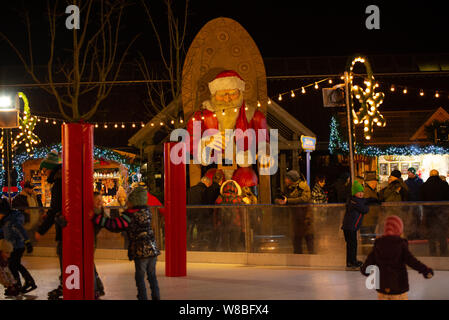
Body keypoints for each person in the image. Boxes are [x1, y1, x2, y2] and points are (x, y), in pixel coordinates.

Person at [93, 187, 161, 300]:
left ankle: (142, 297)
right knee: (152, 276)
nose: (126, 203)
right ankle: (156, 297)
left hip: (141, 252)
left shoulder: (129, 215)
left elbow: (114, 225)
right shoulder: (147, 212)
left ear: (134, 202)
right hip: (153, 250)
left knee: (140, 278)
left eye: (128, 201)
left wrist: (96, 218)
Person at [361, 215, 434, 300]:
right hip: (398, 287)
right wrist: (425, 270)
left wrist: (364, 270)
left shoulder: (379, 244)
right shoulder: (400, 244)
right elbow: (412, 261)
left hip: (382, 287)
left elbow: (369, 261)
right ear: (399, 229)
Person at [34, 151, 66, 299]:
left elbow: (55, 210)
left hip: (65, 228)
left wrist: (41, 230)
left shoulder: (58, 184)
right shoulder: (61, 181)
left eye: (45, 169)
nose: (44, 172)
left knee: (64, 255)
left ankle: (65, 286)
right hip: (66, 226)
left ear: (51, 168)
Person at [0, 198, 36, 293]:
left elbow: (21, 230)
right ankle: (23, 283)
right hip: (11, 247)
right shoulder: (5, 220)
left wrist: (27, 242)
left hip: (17, 246)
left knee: (13, 265)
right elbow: (3, 233)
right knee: (15, 265)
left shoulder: (12, 220)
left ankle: (20, 284)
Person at [275, 170, 313, 254]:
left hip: (305, 217)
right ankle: (298, 258)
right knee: (297, 239)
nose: (285, 180)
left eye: (287, 178)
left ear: (292, 180)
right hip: (296, 218)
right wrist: (279, 201)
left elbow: (304, 199)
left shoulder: (303, 187)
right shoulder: (288, 188)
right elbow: (284, 198)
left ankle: (312, 257)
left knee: (309, 238)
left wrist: (288, 201)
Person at [420, 169, 449, 256]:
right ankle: (443, 251)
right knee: (442, 233)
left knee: (431, 234)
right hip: (442, 213)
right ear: (438, 175)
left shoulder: (424, 186)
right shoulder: (444, 185)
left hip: (429, 213)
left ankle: (433, 251)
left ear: (429, 175)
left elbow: (421, 200)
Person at [341, 181, 370, 268]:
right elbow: (365, 209)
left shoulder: (354, 200)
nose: (361, 194)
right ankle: (352, 261)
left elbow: (364, 203)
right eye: (358, 192)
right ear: (354, 193)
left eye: (362, 192)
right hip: (350, 227)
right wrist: (367, 205)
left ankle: (351, 261)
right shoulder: (354, 201)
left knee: (351, 244)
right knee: (352, 244)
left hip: (350, 227)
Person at [215, 180, 246, 252]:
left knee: (225, 245)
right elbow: (242, 214)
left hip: (224, 224)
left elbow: (215, 213)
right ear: (236, 189)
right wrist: (243, 227)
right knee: (234, 245)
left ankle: (226, 260)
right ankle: (234, 260)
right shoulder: (238, 199)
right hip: (236, 225)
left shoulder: (220, 198)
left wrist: (216, 224)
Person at [360, 172, 380, 246]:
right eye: (375, 182)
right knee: (367, 239)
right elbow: (365, 202)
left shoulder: (372, 191)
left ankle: (368, 252)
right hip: (367, 220)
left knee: (370, 239)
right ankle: (366, 253)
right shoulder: (367, 191)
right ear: (371, 182)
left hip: (371, 219)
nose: (376, 184)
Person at [92, 192, 106, 299]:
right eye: (97, 199)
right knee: (91, 264)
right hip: (92, 242)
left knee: (90, 265)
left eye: (100, 199)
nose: (100, 202)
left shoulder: (96, 211)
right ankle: (98, 287)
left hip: (91, 242)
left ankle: (96, 288)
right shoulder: (100, 211)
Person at [404, 167, 424, 239]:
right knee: (411, 219)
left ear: (413, 173)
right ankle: (411, 234)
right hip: (410, 204)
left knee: (418, 219)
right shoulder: (406, 182)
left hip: (418, 203)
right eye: (408, 172)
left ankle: (418, 234)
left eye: (410, 172)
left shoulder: (420, 181)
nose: (408, 174)